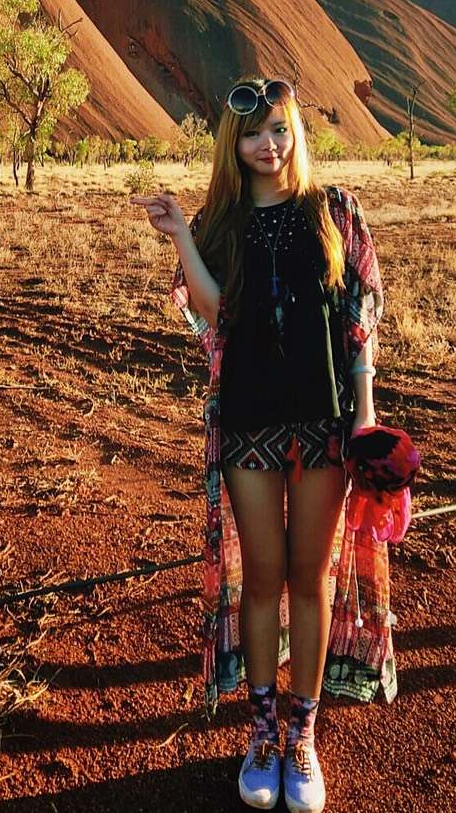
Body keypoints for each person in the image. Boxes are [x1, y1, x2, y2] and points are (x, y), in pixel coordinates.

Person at [131, 76, 396, 812]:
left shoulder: (334, 210)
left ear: (295, 134)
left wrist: (366, 417)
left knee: (310, 580)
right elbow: (213, 317)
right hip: (249, 419)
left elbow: (360, 320)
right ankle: (260, 733)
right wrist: (183, 235)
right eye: (253, 135)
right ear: (233, 144)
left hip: (324, 421)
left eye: (280, 130)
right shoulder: (221, 220)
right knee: (261, 580)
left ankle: (302, 737)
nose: (268, 146)